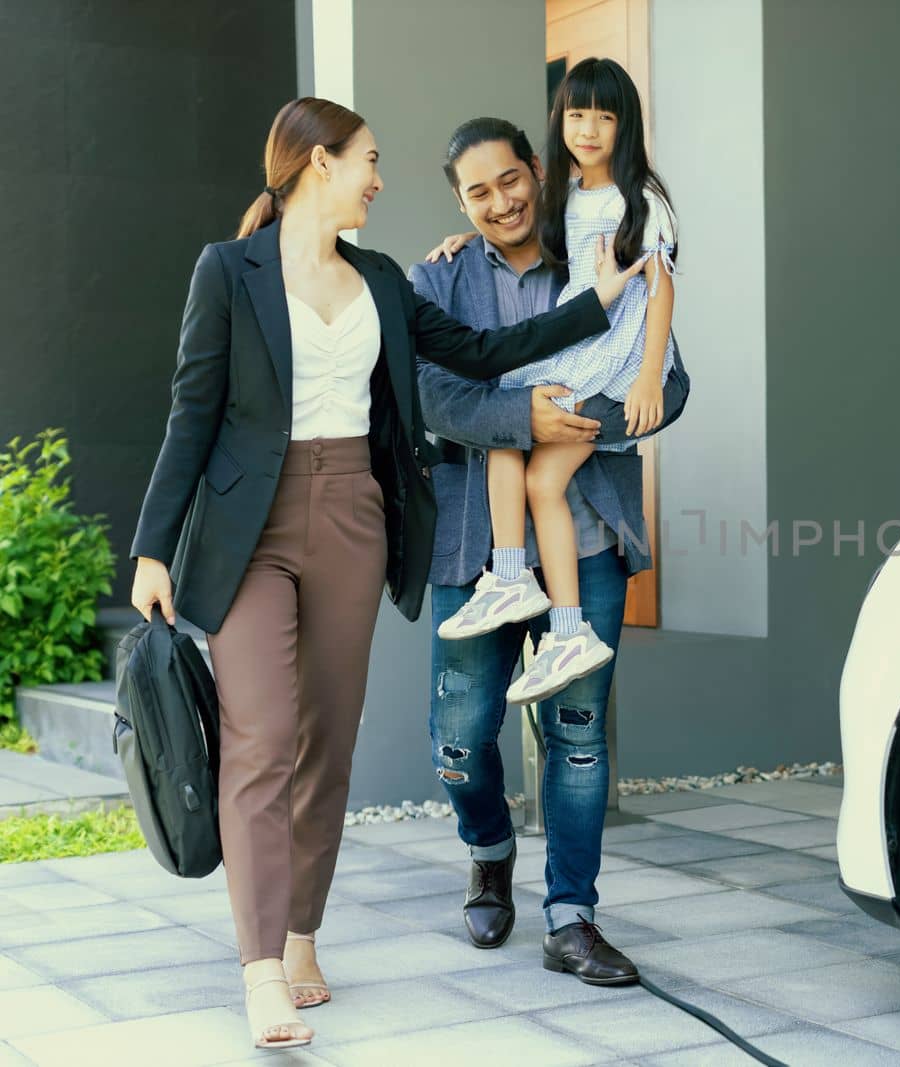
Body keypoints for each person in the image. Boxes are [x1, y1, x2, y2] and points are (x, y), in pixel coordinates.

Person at [127, 96, 642, 1051]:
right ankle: (259, 971)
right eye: (367, 158)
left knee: (325, 743)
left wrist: (599, 303)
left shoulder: (381, 280)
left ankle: (301, 933)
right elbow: (190, 411)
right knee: (260, 739)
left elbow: (486, 354)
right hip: (249, 527)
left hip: (353, 518)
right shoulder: (229, 271)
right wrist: (154, 546)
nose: (376, 175)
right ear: (319, 163)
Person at [410, 110, 688, 976]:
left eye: (510, 180)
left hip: (588, 533)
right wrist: (517, 417)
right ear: (460, 201)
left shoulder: (597, 241)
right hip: (472, 547)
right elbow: (429, 397)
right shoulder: (439, 278)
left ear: (538, 168)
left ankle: (572, 915)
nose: (500, 202)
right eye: (478, 192)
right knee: (459, 738)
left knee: (577, 736)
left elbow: (668, 382)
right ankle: (489, 850)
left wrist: (576, 423)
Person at [433, 58, 678, 709]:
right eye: (577, 115)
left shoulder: (643, 201)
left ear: (625, 124)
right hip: (578, 349)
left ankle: (543, 607)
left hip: (607, 361)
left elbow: (661, 293)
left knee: (529, 452)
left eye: (605, 115)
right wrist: (470, 233)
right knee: (510, 425)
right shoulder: (568, 195)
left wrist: (650, 374)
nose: (590, 129)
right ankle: (527, 589)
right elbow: (524, 227)